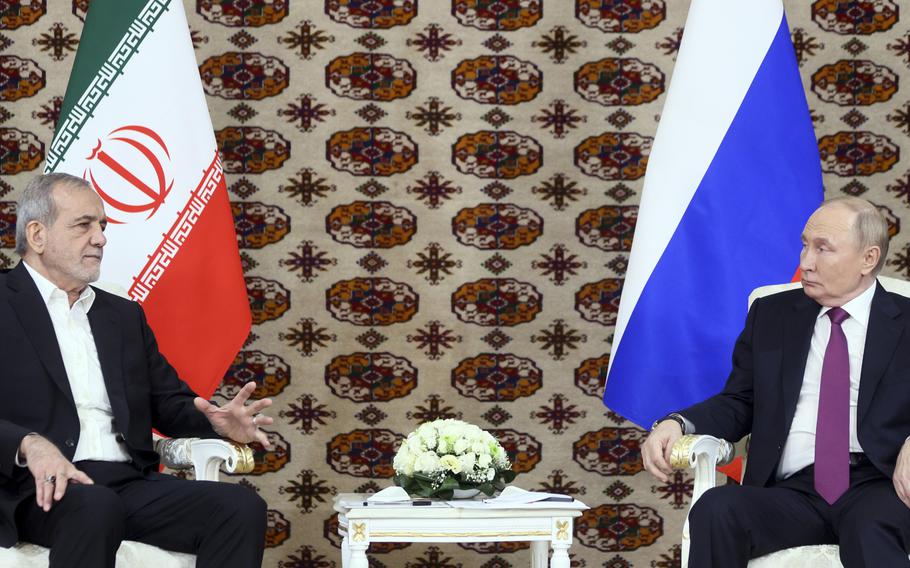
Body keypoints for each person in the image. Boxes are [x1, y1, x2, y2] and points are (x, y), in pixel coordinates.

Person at [0, 172, 273, 567]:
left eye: (103, 226)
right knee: (95, 507)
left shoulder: (123, 315)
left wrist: (216, 421)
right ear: (38, 235)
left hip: (125, 482)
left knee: (240, 508)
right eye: (84, 225)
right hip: (33, 487)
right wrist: (29, 443)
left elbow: (166, 400)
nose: (101, 238)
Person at [642, 197, 910, 567]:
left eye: (823, 249)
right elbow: (739, 401)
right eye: (804, 244)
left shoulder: (906, 322)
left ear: (868, 259)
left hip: (876, 484)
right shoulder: (772, 315)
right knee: (716, 509)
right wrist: (678, 422)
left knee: (871, 527)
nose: (805, 262)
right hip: (792, 490)